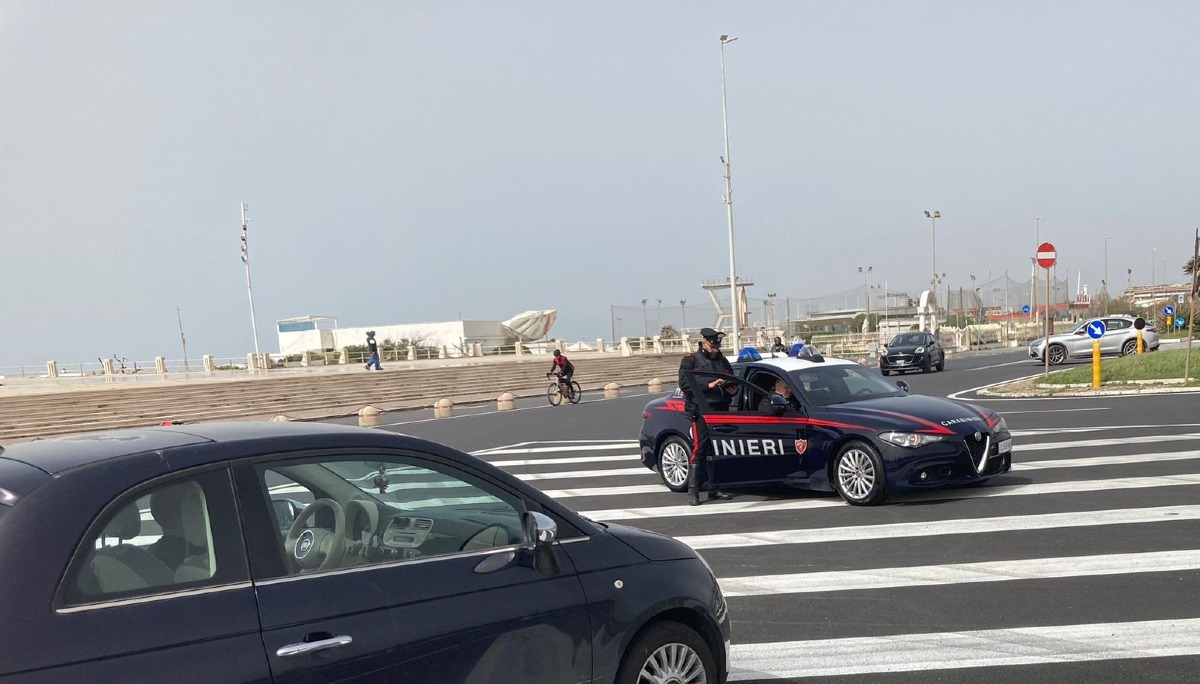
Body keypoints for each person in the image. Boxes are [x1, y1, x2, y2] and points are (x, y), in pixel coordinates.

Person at [678, 327, 738, 506]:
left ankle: (715, 488)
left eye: (717, 346)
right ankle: (693, 491)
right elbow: (684, 384)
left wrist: (733, 388)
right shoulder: (691, 360)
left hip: (721, 409)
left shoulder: (722, 360)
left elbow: (732, 377)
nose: (715, 349)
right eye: (712, 346)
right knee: (700, 449)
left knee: (718, 449)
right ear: (704, 342)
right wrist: (709, 385)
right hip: (701, 410)